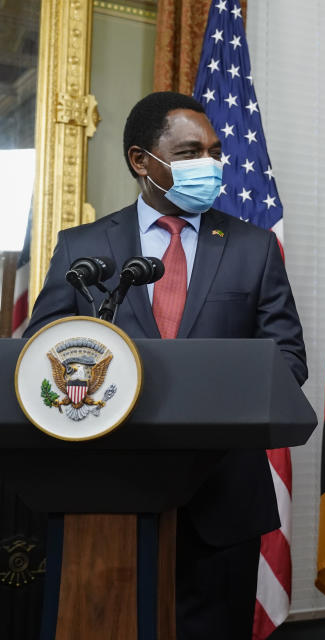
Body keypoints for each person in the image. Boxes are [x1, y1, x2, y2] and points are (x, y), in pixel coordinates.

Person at [24, 91, 307, 639]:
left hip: (223, 499)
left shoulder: (252, 248)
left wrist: (205, 402)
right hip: (108, 490)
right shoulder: (84, 246)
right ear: (141, 161)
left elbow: (288, 359)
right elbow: (43, 348)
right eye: (188, 152)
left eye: (214, 151)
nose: (209, 164)